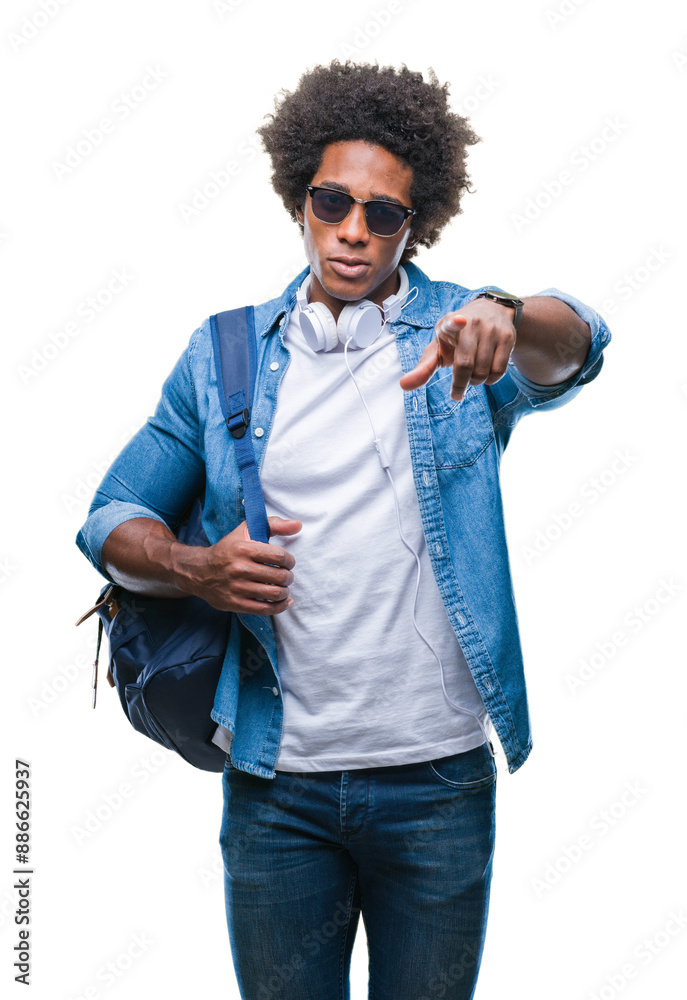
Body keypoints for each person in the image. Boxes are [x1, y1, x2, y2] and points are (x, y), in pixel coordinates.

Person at [76, 59, 611, 1000]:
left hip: (436, 782)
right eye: (332, 202)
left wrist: (509, 313)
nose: (354, 232)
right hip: (278, 788)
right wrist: (195, 565)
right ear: (299, 198)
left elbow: (579, 347)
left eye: (385, 215)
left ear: (418, 222)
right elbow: (112, 516)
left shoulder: (463, 335)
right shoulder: (225, 353)